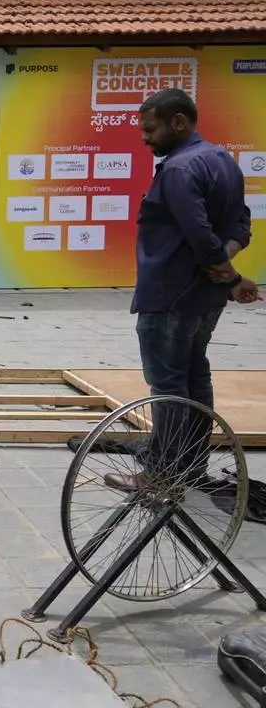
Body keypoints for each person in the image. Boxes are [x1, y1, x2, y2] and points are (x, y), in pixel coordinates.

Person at [106, 88, 260, 491]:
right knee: (195, 377)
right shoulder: (223, 160)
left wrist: (225, 271)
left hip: (170, 296)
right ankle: (191, 467)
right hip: (204, 298)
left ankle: (160, 475)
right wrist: (226, 266)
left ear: (178, 122)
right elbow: (241, 224)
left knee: (168, 387)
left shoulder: (178, 170)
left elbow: (200, 237)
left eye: (150, 129)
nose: (145, 138)